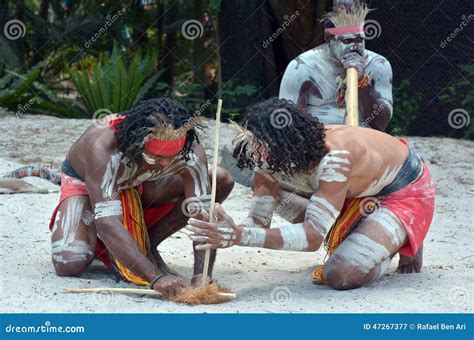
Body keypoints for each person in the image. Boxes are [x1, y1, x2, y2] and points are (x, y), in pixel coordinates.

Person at [186, 98, 434, 290]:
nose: (256, 155)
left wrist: (238, 236)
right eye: (254, 146)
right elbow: (258, 224)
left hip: (402, 190)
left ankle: (397, 237)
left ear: (286, 146)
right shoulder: (266, 155)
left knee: (340, 274)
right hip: (353, 193)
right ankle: (365, 232)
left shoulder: (337, 157)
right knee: (269, 185)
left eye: (261, 148)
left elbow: (313, 238)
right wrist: (226, 226)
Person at [49, 97, 234, 297]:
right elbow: (107, 222)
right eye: (158, 157)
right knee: (69, 260)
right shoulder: (104, 145)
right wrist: (156, 278)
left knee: (220, 180)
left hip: (140, 182)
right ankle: (94, 236)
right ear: (140, 142)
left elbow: (202, 217)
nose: (165, 164)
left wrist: (202, 276)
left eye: (172, 158)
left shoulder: (189, 148)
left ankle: (148, 244)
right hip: (89, 185)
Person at [279, 0, 393, 130]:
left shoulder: (377, 65)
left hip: (364, 141)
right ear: (329, 39)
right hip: (317, 141)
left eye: (360, 40)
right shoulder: (302, 67)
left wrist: (361, 83)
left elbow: (380, 125)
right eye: (347, 41)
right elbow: (290, 127)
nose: (355, 46)